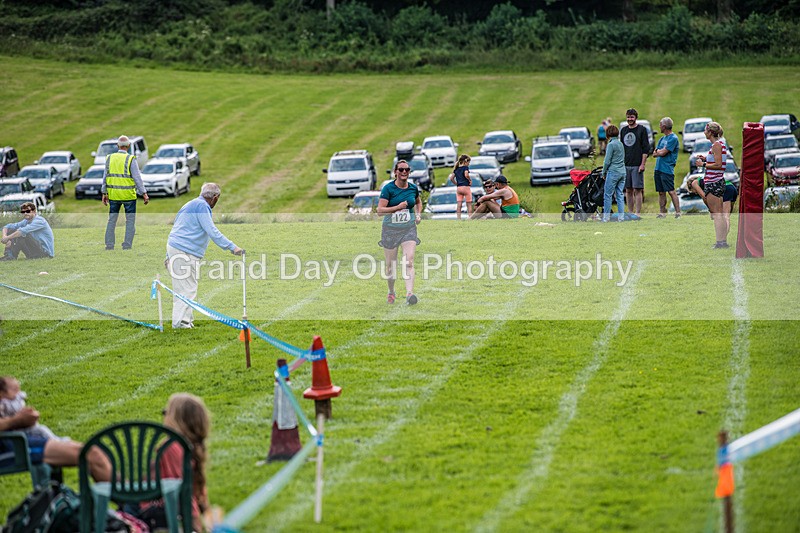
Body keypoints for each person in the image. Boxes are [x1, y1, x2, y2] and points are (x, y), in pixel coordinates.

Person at [0, 378, 111, 482]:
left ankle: (124, 492)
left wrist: (19, 420)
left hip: (18, 438)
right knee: (91, 455)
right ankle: (125, 495)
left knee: (94, 453)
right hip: (11, 445)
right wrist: (17, 420)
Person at [166, 183, 243, 328]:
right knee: (188, 288)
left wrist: (168, 255)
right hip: (184, 251)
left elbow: (176, 227)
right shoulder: (202, 207)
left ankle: (183, 321)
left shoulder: (190, 204)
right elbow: (212, 231)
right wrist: (233, 247)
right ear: (215, 197)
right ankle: (182, 323)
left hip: (175, 248)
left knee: (181, 288)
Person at [138, 393, 211, 533]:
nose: (163, 416)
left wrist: (199, 525)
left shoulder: (173, 447)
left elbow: (184, 491)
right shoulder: (184, 447)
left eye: (166, 412)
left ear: (177, 420)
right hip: (154, 509)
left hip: (152, 510)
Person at [377, 160, 422, 305]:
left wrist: (418, 214)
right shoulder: (388, 189)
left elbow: (418, 202)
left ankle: (410, 294)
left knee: (409, 261)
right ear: (395, 172)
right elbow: (380, 211)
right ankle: (391, 291)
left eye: (407, 170)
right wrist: (397, 207)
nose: (404, 172)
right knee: (391, 266)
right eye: (401, 170)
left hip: (408, 229)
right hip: (390, 230)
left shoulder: (413, 188)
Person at [102, 135, 149, 250]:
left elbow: (105, 177)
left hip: (114, 195)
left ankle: (109, 245)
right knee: (130, 221)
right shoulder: (130, 159)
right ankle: (127, 245)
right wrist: (144, 193)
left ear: (118, 145)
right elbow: (137, 178)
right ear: (128, 146)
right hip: (128, 196)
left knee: (112, 220)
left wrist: (104, 192)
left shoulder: (109, 158)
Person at [693, 121, 729, 248]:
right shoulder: (718, 145)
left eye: (705, 130)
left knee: (716, 214)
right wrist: (706, 159)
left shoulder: (716, 145)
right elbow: (717, 161)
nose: (704, 132)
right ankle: (722, 241)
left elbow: (719, 165)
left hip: (713, 182)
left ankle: (720, 242)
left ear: (710, 132)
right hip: (717, 181)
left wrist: (702, 164)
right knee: (719, 213)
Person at [0, 376, 59, 440]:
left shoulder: (15, 399)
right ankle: (56, 441)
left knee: (43, 430)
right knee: (41, 431)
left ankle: (56, 440)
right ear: (2, 393)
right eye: (14, 389)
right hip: (18, 431)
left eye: (18, 389)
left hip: (24, 428)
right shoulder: (4, 403)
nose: (17, 393)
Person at [620, 108, 650, 216]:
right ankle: (630, 212)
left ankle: (637, 213)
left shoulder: (641, 130)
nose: (630, 119)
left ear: (636, 118)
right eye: (628, 117)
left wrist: (643, 164)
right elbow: (621, 148)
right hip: (626, 164)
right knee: (628, 190)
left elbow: (646, 149)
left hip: (637, 164)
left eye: (632, 117)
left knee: (637, 189)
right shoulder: (623, 131)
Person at [652, 117, 682, 218]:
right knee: (661, 192)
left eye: (660, 125)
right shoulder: (662, 139)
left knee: (671, 191)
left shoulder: (673, 138)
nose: (659, 127)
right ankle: (662, 212)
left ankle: (678, 212)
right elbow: (655, 153)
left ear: (664, 126)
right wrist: (659, 152)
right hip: (658, 168)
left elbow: (664, 152)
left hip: (667, 169)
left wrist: (660, 152)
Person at [601, 125, 626, 222]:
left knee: (608, 195)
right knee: (619, 195)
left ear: (608, 134)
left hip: (613, 172)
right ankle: (621, 217)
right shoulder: (620, 144)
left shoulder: (611, 145)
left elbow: (607, 161)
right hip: (622, 172)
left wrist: (604, 172)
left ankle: (606, 218)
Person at [447, 154, 473, 220]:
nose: (469, 164)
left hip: (459, 188)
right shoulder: (465, 168)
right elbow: (466, 174)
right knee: (469, 204)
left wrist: (456, 183)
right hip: (466, 187)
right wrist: (469, 180)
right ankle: (470, 218)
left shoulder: (456, 169)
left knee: (459, 204)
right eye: (468, 162)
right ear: (465, 161)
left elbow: (451, 178)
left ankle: (459, 218)